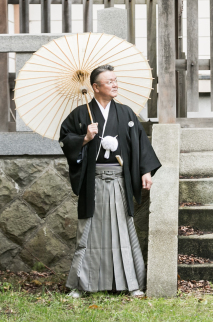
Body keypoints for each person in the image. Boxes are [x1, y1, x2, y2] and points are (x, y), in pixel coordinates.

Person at [59, 65, 161, 298]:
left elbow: (140, 144)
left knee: (122, 229)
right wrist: (85, 137)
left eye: (116, 80)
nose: (115, 84)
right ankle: (81, 284)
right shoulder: (80, 114)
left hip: (118, 180)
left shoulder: (125, 113)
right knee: (89, 230)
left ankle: (132, 283)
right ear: (95, 87)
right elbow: (65, 140)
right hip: (92, 181)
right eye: (109, 81)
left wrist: (146, 171)